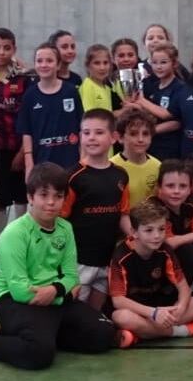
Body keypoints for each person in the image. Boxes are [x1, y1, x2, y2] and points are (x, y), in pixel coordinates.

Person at [0, 163, 117, 370]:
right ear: (30, 197)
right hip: (16, 300)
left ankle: (32, 335)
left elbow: (71, 276)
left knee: (104, 334)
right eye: (44, 195)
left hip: (53, 295)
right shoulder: (15, 233)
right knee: (38, 355)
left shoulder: (65, 228)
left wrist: (55, 291)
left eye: (58, 196)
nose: (51, 202)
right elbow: (20, 290)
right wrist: (63, 294)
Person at [110, 201, 193, 347]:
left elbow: (184, 288)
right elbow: (118, 300)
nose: (157, 236)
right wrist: (154, 313)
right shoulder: (121, 256)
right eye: (149, 230)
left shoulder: (165, 250)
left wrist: (180, 308)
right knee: (120, 317)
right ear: (134, 232)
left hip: (165, 307)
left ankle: (141, 334)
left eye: (161, 229)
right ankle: (185, 330)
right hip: (140, 310)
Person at [63, 109, 133, 310]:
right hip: (79, 262)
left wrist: (135, 236)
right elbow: (61, 220)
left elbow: (123, 214)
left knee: (96, 313)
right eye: (86, 132)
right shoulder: (73, 177)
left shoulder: (121, 175)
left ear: (114, 137)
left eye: (99, 132)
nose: (91, 137)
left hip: (107, 260)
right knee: (76, 312)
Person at [0, 28, 31, 260]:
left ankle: (19, 242)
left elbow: (29, 116)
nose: (1, 52)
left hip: (20, 145)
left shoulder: (23, 77)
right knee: (0, 197)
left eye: (7, 48)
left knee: (21, 195)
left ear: (14, 49)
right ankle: (1, 243)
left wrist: (23, 151)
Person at [149, 160, 193, 299]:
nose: (176, 191)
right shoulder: (153, 208)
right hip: (152, 269)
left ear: (190, 189)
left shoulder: (190, 210)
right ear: (159, 187)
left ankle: (188, 292)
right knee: (187, 250)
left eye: (183, 186)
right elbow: (166, 243)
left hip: (181, 271)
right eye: (170, 186)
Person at [19, 42, 84, 174]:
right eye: (39, 61)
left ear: (58, 65)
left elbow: (82, 127)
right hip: (42, 164)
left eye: (49, 61)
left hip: (70, 162)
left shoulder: (71, 91)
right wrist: (29, 163)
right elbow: (26, 132)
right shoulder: (30, 95)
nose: (44, 65)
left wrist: (83, 157)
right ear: (35, 64)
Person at [142, 43, 185, 160]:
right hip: (151, 146)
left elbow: (170, 116)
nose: (158, 67)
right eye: (154, 62)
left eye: (163, 62)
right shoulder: (153, 87)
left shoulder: (180, 88)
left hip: (169, 148)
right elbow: (150, 111)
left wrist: (141, 101)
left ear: (174, 63)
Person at [111, 110, 161, 207]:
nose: (140, 139)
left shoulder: (158, 166)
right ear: (120, 138)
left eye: (145, 134)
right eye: (133, 134)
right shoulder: (111, 167)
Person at [79, 44, 118, 114]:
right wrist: (123, 111)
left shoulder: (107, 88)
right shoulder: (87, 86)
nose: (102, 68)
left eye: (105, 63)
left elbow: (107, 114)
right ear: (88, 65)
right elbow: (90, 116)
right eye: (97, 63)